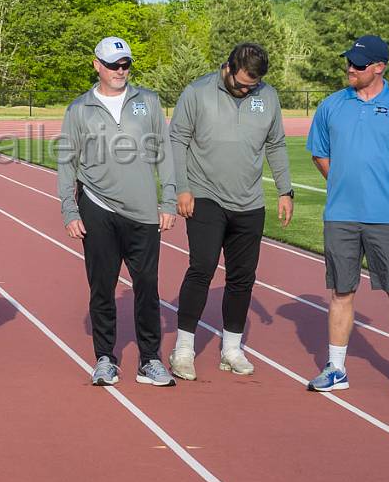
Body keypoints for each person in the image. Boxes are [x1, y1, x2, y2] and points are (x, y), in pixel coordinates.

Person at [305, 34, 389, 398]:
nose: (350, 68)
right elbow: (319, 155)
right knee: (341, 291)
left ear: (379, 67)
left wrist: (388, 191)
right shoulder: (331, 106)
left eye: (358, 65)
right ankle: (336, 369)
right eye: (348, 62)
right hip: (341, 217)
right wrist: (343, 184)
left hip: (387, 219)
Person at [166, 43, 294, 381]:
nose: (245, 90)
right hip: (205, 195)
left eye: (251, 85)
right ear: (227, 66)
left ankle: (232, 349)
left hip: (250, 201)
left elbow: (276, 143)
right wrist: (181, 187)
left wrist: (285, 190)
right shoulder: (197, 92)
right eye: (240, 84)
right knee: (203, 267)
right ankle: (183, 348)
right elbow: (177, 139)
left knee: (242, 277)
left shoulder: (267, 96)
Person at [57, 36, 178, 387]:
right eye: (113, 65)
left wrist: (168, 200)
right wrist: (69, 209)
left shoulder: (149, 102)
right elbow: (67, 162)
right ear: (97, 65)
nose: (120, 71)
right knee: (102, 288)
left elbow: (165, 154)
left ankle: (150, 360)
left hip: (143, 213)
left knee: (147, 287)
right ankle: (106, 358)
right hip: (96, 208)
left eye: (125, 65)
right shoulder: (79, 108)